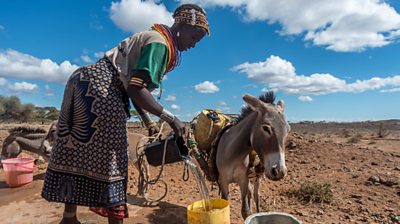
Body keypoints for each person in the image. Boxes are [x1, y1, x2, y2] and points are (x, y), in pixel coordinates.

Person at [41, 4, 210, 224]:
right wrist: (171, 119)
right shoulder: (160, 44)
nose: (193, 44)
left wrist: (148, 122)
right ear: (181, 25)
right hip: (103, 89)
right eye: (194, 37)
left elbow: (135, 88)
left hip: (81, 81)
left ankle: (69, 217)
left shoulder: (154, 37)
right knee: (114, 159)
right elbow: (135, 89)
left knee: (74, 150)